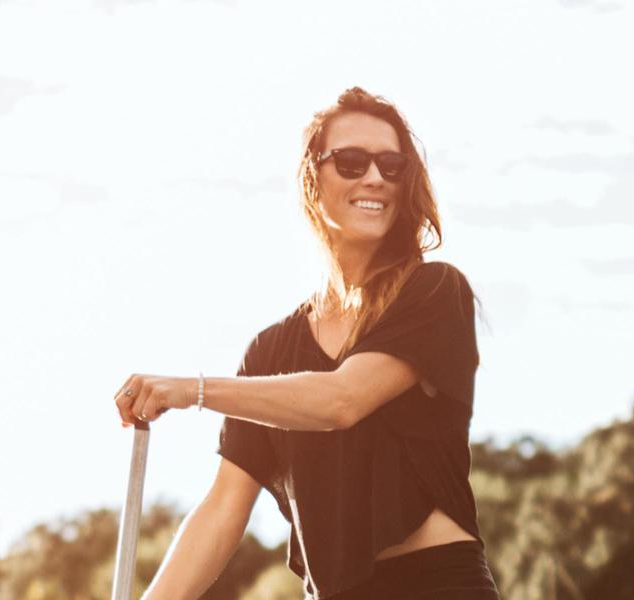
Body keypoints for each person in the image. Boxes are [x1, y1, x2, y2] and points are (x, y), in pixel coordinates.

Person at [110, 87, 498, 599]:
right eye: (352, 162)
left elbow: (342, 400)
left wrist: (194, 390)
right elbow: (225, 508)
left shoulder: (435, 292)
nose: (375, 177)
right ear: (313, 177)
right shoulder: (271, 352)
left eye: (392, 165)